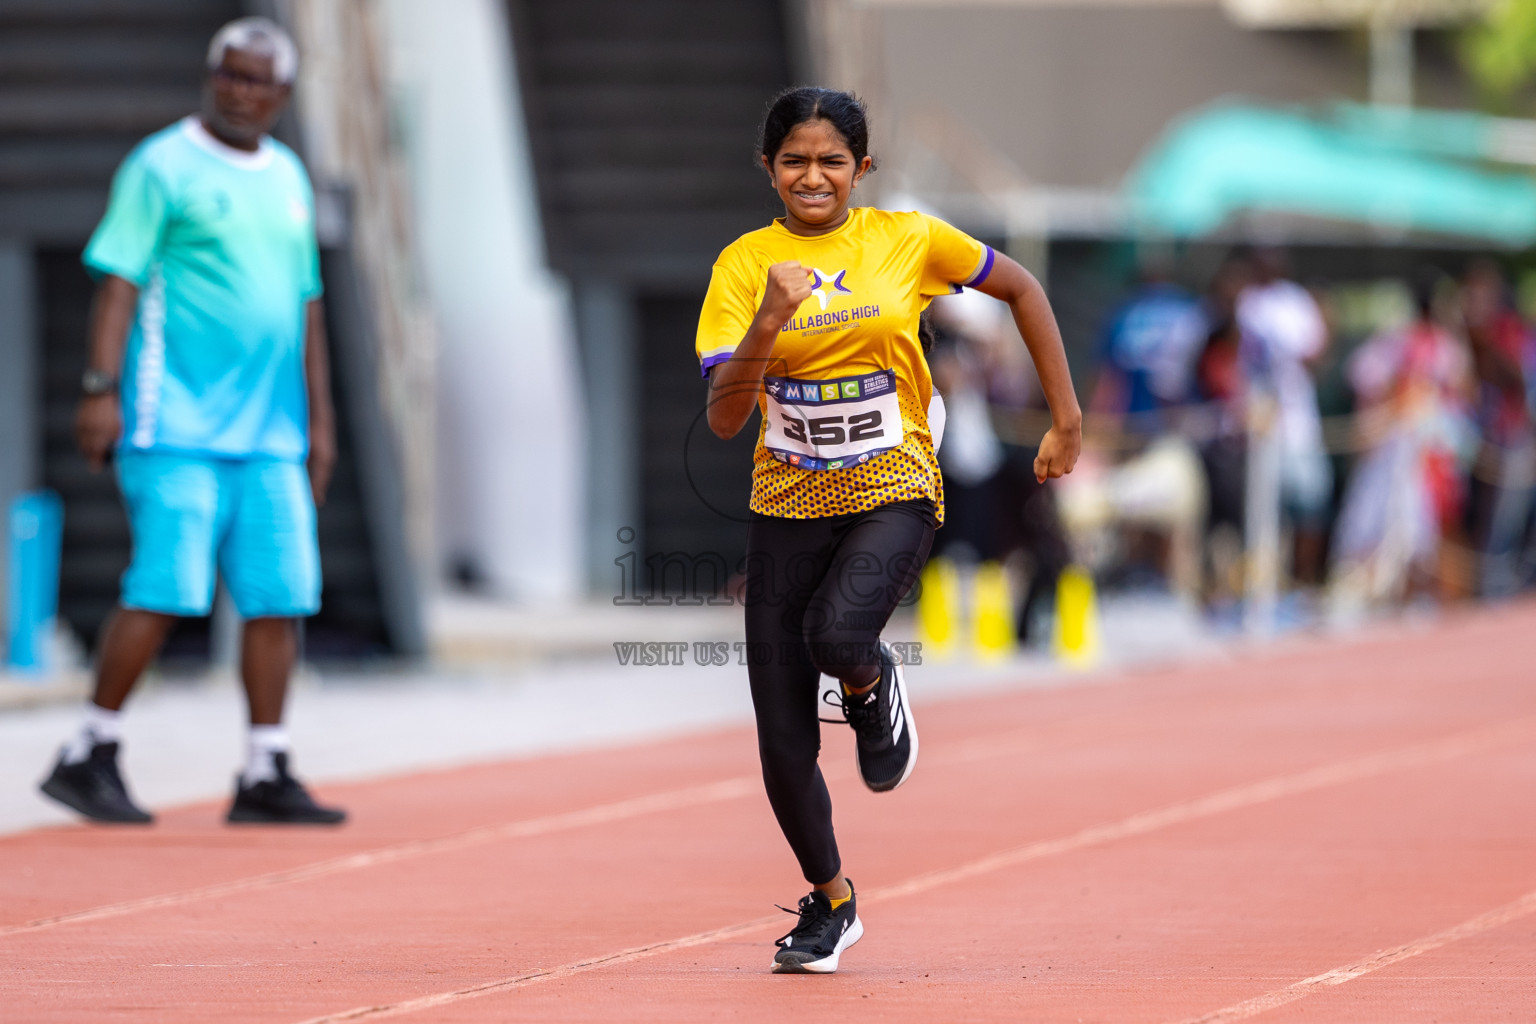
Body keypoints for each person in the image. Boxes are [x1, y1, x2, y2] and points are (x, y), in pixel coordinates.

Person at [696, 87, 1080, 973]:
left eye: (833, 160)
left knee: (839, 634)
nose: (813, 176)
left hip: (894, 485)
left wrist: (1066, 418)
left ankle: (872, 689)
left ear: (861, 169)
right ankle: (831, 902)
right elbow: (723, 419)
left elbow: (1020, 287)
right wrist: (768, 321)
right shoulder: (744, 265)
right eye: (794, 160)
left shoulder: (905, 237)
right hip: (784, 502)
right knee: (783, 740)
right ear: (768, 169)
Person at [38, 18, 345, 826]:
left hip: (272, 435)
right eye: (230, 75)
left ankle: (264, 769)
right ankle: (89, 750)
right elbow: (118, 282)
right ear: (211, 76)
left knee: (280, 596)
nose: (242, 92)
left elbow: (306, 304)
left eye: (259, 82)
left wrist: (322, 420)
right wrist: (99, 387)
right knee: (167, 587)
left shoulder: (287, 176)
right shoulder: (161, 165)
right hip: (171, 421)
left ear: (282, 96)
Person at [1236, 247, 1332, 586]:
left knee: (1310, 503)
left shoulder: (1296, 301)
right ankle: (1265, 587)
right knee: (1262, 507)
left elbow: (1318, 352)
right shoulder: (1248, 302)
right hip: (1260, 419)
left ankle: (1303, 580)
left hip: (1298, 417)